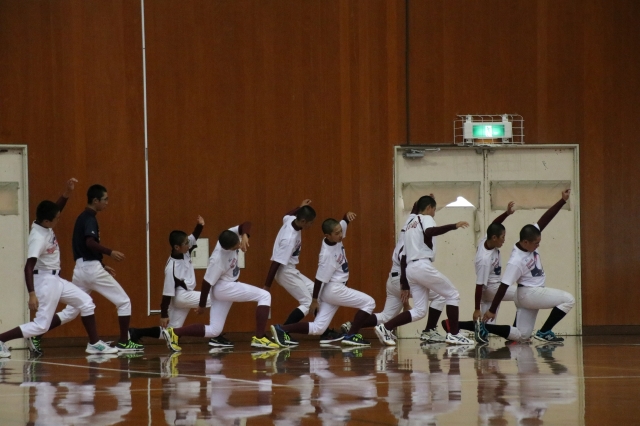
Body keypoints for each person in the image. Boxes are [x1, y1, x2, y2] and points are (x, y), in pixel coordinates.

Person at [0, 178, 117, 358]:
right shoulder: (38, 238)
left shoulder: (42, 223)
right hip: (44, 281)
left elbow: (56, 209)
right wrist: (32, 293)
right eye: (56, 219)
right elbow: (28, 267)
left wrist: (66, 193)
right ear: (47, 221)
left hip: (56, 279)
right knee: (41, 326)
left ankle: (94, 344)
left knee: (86, 302)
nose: (59, 219)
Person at [42, 184, 142, 353]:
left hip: (81, 269)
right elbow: (89, 242)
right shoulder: (89, 219)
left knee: (71, 311)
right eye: (105, 199)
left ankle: (36, 333)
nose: (107, 203)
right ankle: (124, 342)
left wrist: (102, 264)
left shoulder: (82, 218)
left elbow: (83, 246)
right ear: (95, 200)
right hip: (91, 269)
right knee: (124, 302)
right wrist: (110, 252)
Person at [162, 221, 282, 351]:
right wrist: (202, 305)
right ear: (228, 249)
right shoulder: (217, 260)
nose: (239, 246)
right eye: (236, 247)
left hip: (225, 289)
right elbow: (206, 283)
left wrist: (245, 235)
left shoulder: (228, 234)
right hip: (225, 287)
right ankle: (260, 337)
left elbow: (246, 224)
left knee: (214, 330)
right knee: (264, 295)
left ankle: (175, 332)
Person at [340, 200, 446, 343]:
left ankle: (353, 326)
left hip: (393, 280)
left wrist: (422, 202)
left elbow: (414, 212)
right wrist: (404, 286)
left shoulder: (407, 228)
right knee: (441, 295)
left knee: (386, 316)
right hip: (403, 279)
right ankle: (429, 330)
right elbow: (404, 260)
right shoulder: (414, 239)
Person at [374, 195, 474, 346]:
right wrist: (454, 226)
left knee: (420, 311)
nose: (434, 213)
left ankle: (385, 327)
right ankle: (454, 334)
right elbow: (429, 231)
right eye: (434, 209)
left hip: (410, 269)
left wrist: (405, 283)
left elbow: (404, 255)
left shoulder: (409, 224)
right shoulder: (426, 218)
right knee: (452, 294)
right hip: (422, 266)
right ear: (428, 208)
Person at [271, 212, 376, 347]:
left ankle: (282, 329)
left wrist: (346, 216)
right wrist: (314, 300)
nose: (341, 235)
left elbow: (343, 222)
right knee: (369, 302)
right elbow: (319, 280)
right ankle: (352, 335)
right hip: (335, 290)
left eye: (340, 231)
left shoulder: (336, 236)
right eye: (337, 233)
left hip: (332, 293)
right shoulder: (326, 255)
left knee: (318, 328)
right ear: (327, 236)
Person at [483, 190, 574, 344]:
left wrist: (562, 201)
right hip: (530, 293)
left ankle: (485, 328)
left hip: (526, 296)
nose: (538, 245)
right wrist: (492, 310)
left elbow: (545, 220)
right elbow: (504, 286)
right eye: (536, 243)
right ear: (525, 242)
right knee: (568, 300)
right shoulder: (516, 260)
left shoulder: (529, 239)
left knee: (522, 335)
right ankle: (545, 331)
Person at [128, 216, 222, 346]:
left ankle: (136, 332)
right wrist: (163, 315)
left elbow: (194, 237)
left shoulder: (185, 251)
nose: (189, 244)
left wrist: (200, 225)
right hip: (181, 296)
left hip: (185, 297)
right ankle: (216, 335)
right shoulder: (171, 268)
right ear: (177, 247)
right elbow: (166, 294)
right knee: (217, 297)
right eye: (186, 243)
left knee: (169, 332)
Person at [442, 201, 522, 344]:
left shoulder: (486, 239)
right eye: (502, 237)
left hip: (489, 291)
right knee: (523, 295)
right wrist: (476, 309)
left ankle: (454, 325)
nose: (504, 240)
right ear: (494, 238)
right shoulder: (484, 259)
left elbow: (494, 224)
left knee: (486, 328)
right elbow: (479, 285)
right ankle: (516, 332)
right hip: (492, 288)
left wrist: (506, 214)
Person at [263, 199, 316, 345]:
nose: (311, 226)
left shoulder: (291, 219)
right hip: (284, 271)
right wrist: (267, 286)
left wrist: (300, 207)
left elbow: (286, 215)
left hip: (291, 269)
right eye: (310, 223)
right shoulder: (289, 239)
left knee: (317, 292)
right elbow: (276, 263)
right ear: (303, 221)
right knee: (307, 302)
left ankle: (324, 332)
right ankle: (282, 330)